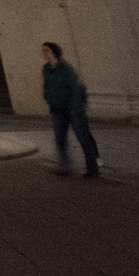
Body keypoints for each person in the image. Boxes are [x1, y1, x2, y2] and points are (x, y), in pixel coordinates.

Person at [41, 42, 99, 178]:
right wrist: (50, 100)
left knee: (83, 138)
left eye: (46, 50)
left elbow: (76, 88)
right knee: (60, 139)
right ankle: (64, 167)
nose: (44, 53)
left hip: (73, 109)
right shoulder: (46, 69)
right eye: (43, 51)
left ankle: (93, 168)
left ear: (54, 52)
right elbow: (47, 87)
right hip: (57, 109)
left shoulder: (66, 68)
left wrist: (75, 108)